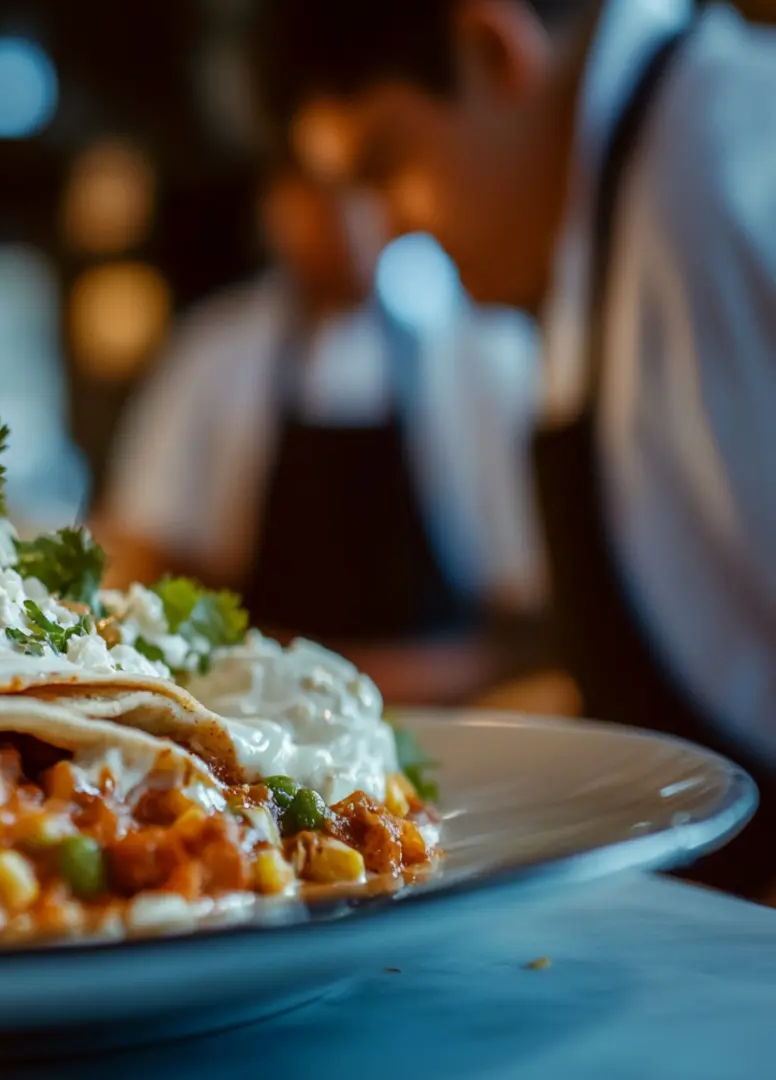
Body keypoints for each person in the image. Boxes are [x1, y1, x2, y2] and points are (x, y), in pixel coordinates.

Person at [256, 0, 776, 896]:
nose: (388, 229)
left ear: (492, 51)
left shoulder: (728, 168)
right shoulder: (615, 208)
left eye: (388, 167)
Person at [97, 165, 546, 704]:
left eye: (365, 189)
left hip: (451, 705)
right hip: (260, 711)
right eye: (320, 194)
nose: (349, 220)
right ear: (276, 205)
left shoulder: (479, 353)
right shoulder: (215, 355)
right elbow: (140, 558)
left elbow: (529, 606)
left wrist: (413, 678)